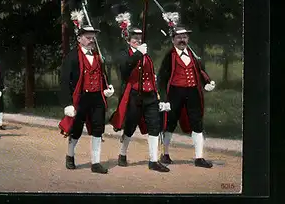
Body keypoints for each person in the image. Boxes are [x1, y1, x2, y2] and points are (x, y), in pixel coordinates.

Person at [109, 20, 170, 172]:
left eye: (139, 38)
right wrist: (138, 53)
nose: (137, 40)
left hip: (149, 95)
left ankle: (153, 160)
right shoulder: (124, 53)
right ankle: (122, 153)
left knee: (154, 126)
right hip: (134, 95)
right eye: (134, 38)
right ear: (128, 40)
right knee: (130, 126)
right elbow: (125, 67)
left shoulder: (146, 53)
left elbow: (151, 73)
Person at [58, 20, 114, 174]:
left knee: (98, 128)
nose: (91, 40)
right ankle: (70, 155)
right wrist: (67, 103)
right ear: (79, 39)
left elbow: (102, 75)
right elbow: (64, 81)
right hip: (80, 98)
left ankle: (95, 162)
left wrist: (106, 89)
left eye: (93, 37)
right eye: (88, 37)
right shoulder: (72, 57)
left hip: (97, 98)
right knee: (76, 129)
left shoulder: (98, 56)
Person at [157, 25, 216, 168]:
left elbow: (200, 71)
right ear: (173, 40)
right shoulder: (169, 56)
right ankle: (165, 154)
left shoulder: (193, 55)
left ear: (188, 39)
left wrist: (207, 82)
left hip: (193, 93)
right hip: (175, 93)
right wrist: (164, 99)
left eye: (184, 37)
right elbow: (162, 79)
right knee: (170, 123)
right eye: (179, 37)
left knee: (197, 123)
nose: (182, 40)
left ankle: (199, 157)